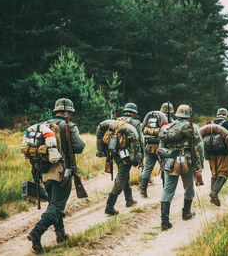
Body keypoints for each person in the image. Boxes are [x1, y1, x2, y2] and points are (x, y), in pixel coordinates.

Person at [27, 98, 85, 254]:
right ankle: (36, 233)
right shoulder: (69, 126)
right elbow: (79, 147)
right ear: (68, 113)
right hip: (62, 173)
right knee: (56, 206)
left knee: (54, 204)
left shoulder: (44, 125)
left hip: (44, 172)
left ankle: (61, 234)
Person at [158, 104, 204, 230]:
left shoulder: (166, 128)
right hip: (186, 161)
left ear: (177, 114)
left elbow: (160, 147)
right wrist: (200, 165)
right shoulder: (192, 127)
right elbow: (199, 147)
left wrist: (162, 163)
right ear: (189, 115)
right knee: (189, 187)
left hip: (169, 160)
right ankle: (186, 213)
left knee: (168, 189)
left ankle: (164, 221)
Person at [97, 102, 145, 215]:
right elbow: (140, 141)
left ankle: (129, 200)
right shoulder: (135, 123)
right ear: (133, 113)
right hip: (128, 154)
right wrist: (141, 157)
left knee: (124, 174)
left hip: (114, 153)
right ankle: (109, 206)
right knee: (122, 176)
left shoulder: (115, 121)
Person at [206, 108, 228, 206]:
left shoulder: (209, 124)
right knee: (224, 173)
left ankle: (213, 199)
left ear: (217, 115)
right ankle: (214, 193)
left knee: (214, 173)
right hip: (223, 153)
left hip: (210, 153)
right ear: (226, 115)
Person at [139, 103, 170, 197]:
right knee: (165, 168)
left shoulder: (151, 119)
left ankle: (143, 190)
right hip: (162, 149)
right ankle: (166, 191)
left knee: (147, 168)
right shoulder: (168, 120)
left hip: (149, 148)